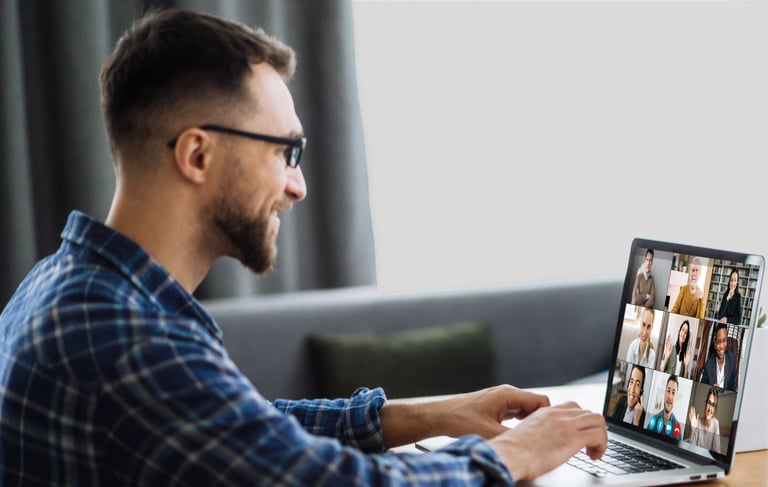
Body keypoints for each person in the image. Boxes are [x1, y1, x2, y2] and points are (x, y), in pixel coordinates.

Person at [0, 8, 607, 485]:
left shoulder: (66, 283)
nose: (299, 184)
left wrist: (434, 414)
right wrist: (515, 452)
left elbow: (245, 430)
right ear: (197, 154)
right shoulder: (126, 336)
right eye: (284, 152)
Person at [701, 323, 738, 391]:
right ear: (714, 344)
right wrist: (711, 389)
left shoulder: (732, 359)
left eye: (724, 341)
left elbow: (733, 387)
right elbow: (702, 390)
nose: (722, 346)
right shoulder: (708, 367)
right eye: (718, 342)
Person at [688, 386, 721, 452]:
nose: (710, 409)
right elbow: (690, 449)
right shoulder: (698, 422)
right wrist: (693, 429)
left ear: (715, 409)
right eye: (709, 403)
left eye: (713, 405)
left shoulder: (716, 423)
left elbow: (717, 451)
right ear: (705, 404)